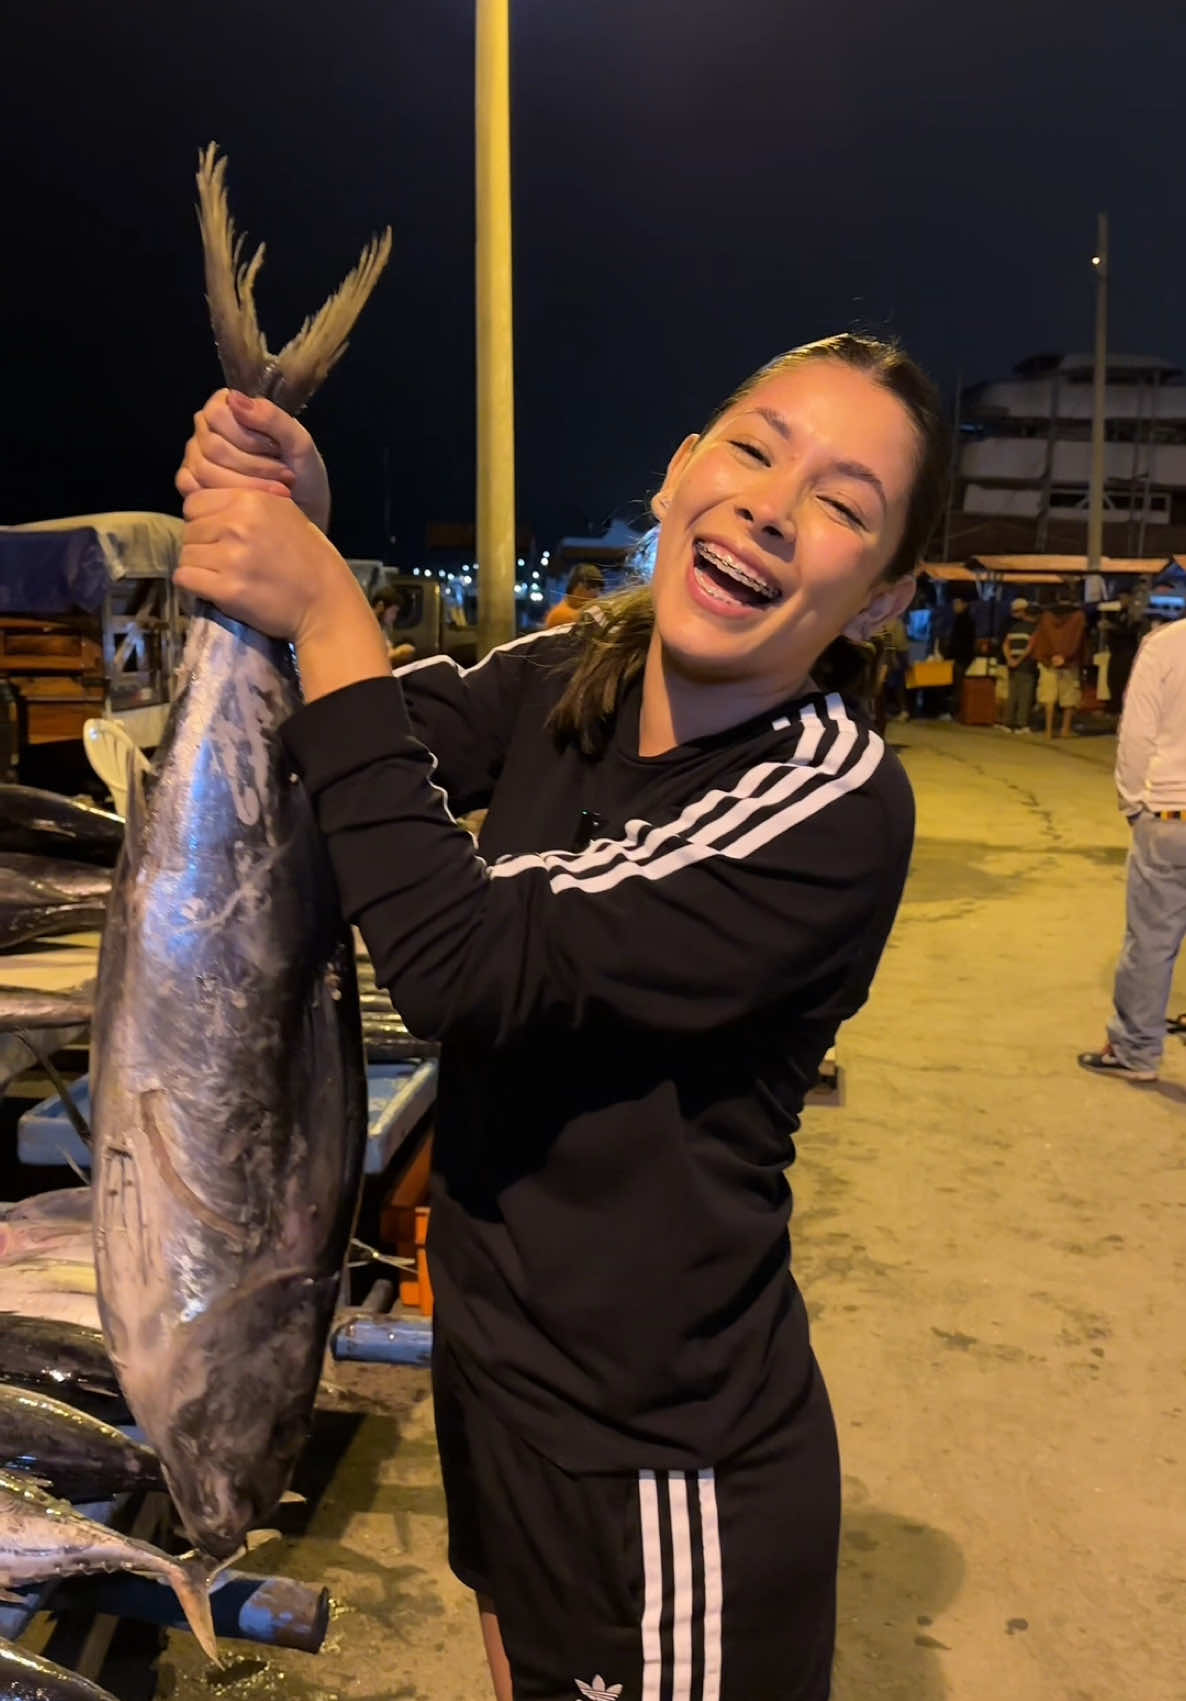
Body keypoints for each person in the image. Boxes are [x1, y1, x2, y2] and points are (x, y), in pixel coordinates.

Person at [175, 332, 950, 1701]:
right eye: (754, 447)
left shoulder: (830, 801)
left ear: (880, 599)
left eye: (842, 503)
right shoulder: (564, 676)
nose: (773, 505)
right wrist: (281, 536)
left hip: (662, 1469)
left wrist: (331, 610)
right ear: (676, 474)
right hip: (502, 1401)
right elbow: (339, 758)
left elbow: (465, 964)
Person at [1079, 616, 1186, 1084]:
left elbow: (1137, 733)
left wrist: (1135, 804)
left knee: (1152, 939)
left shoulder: (1167, 645)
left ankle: (1135, 1049)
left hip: (1171, 812)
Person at [1025, 599, 1086, 739]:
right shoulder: (1078, 617)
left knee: (1048, 697)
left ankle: (1048, 730)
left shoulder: (1046, 617)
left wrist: (1050, 656)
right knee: (1069, 697)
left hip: (1048, 661)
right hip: (1069, 663)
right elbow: (1078, 640)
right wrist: (1066, 656)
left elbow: (1042, 638)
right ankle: (1065, 729)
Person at [1000, 597, 1038, 733]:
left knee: (1013, 694)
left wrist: (1010, 659)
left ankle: (1007, 722)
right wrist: (1019, 660)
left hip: (1012, 665)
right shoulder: (1034, 629)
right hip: (1026, 665)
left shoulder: (1014, 628)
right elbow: (1031, 647)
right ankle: (1022, 724)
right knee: (1025, 695)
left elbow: (1005, 644)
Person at [941, 596, 976, 721]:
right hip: (961, 657)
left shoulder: (963, 621)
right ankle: (955, 712)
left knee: (957, 687)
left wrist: (950, 654)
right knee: (956, 686)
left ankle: (955, 713)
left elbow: (959, 642)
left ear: (964, 605)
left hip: (959, 658)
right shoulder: (964, 620)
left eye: (957, 604)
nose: (955, 607)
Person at [545, 562, 605, 628]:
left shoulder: (583, 613)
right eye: (592, 586)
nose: (597, 594)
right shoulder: (562, 615)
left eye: (600, 588)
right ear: (578, 586)